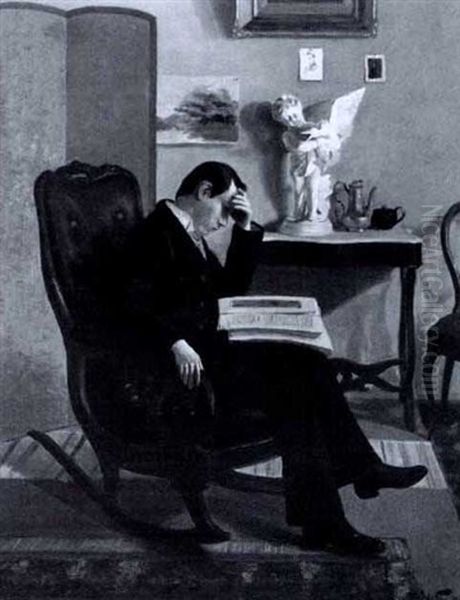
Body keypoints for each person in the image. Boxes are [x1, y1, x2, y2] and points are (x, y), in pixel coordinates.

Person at [117, 161, 428, 556]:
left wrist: (244, 228)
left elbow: (226, 293)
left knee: (308, 362)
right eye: (226, 207)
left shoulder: (187, 231)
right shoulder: (154, 232)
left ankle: (354, 483)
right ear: (204, 191)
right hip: (185, 370)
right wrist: (175, 341)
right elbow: (131, 303)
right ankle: (335, 509)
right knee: (297, 387)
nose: (225, 219)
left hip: (215, 352)